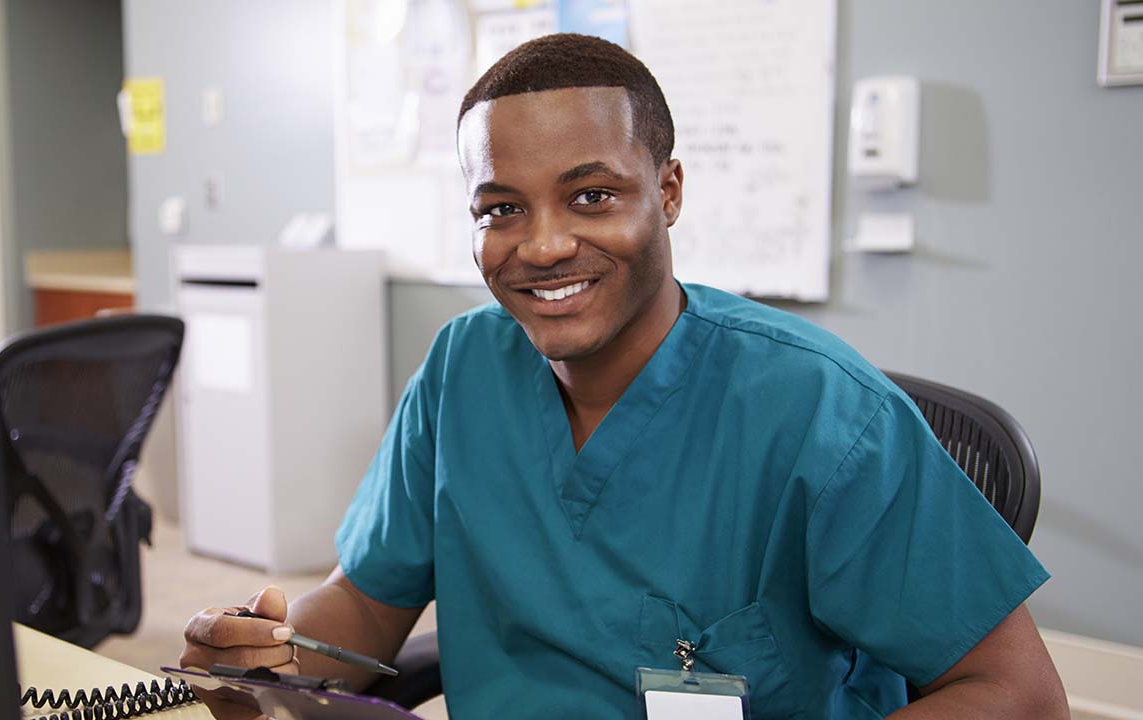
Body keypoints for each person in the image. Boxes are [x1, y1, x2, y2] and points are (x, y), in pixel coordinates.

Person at [181, 34, 1068, 719]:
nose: (544, 245)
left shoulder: (822, 411)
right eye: (501, 209)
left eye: (591, 196)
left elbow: (1019, 695)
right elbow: (367, 610)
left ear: (669, 191)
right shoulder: (462, 372)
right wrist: (270, 650)